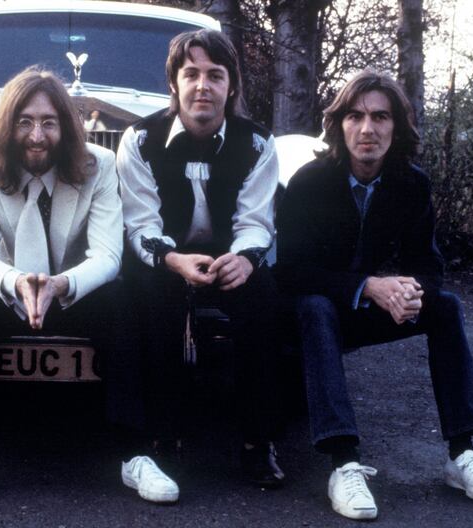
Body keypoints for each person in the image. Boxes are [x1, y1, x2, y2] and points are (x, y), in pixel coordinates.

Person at [276, 70, 473, 520]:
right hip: (305, 311)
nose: (367, 129)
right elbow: (290, 271)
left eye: (380, 117)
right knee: (317, 308)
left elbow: (429, 265)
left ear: (396, 127)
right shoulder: (309, 182)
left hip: (361, 309)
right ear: (339, 124)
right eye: (355, 116)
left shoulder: (410, 184)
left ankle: (463, 453)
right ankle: (343, 463)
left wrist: (410, 291)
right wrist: (370, 287)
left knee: (446, 307)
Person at [0, 66, 145, 501]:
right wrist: (15, 281)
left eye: (48, 122)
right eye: (24, 122)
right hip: (9, 288)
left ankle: (135, 453)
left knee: (121, 298)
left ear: (65, 125)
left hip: (72, 287)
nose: (36, 136)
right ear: (8, 125)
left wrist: (61, 284)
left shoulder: (99, 166)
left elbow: (108, 255)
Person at [116, 28, 286, 502]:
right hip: (166, 257)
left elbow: (256, 220)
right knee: (149, 298)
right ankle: (162, 435)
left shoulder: (257, 143)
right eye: (191, 74)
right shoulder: (141, 139)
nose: (202, 86)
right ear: (174, 83)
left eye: (215, 75)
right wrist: (171, 259)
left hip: (232, 258)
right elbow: (139, 221)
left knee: (265, 300)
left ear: (232, 86)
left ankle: (257, 440)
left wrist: (247, 258)